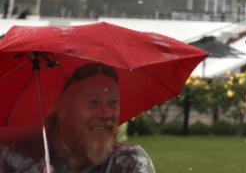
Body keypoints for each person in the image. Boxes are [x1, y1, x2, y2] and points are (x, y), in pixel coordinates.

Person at [0, 63, 155, 173]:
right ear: (62, 109)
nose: (106, 114)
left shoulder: (127, 163)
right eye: (93, 103)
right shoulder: (14, 157)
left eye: (113, 103)